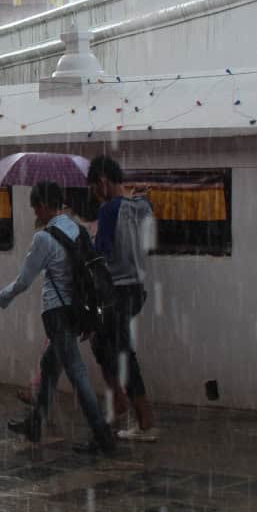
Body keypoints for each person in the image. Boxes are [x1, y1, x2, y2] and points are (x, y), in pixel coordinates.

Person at [0, 181, 116, 455]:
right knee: (49, 367)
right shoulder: (77, 230)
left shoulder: (44, 238)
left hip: (57, 312)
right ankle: (36, 423)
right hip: (76, 310)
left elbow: (24, 280)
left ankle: (102, 434)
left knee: (77, 373)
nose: (36, 213)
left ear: (44, 206)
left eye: (36, 207)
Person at [87, 155, 159, 442]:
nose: (94, 193)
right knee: (105, 343)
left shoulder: (107, 211)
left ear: (103, 181)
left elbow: (101, 252)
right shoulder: (139, 206)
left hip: (115, 290)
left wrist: (85, 235)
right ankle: (121, 401)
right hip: (136, 289)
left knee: (120, 351)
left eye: (94, 187)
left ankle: (143, 419)